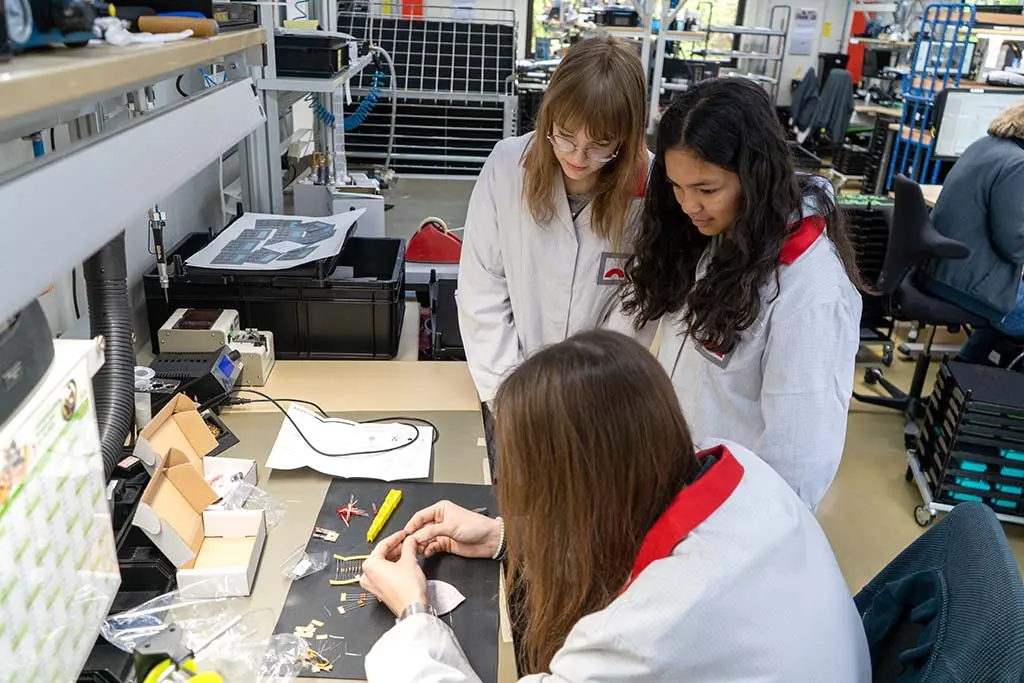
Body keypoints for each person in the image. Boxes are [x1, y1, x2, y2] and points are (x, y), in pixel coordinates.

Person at [357, 331, 872, 682]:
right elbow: (634, 523)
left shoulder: (644, 633)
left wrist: (414, 611)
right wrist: (507, 537)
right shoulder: (738, 468)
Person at [622, 78, 863, 509]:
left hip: (736, 516)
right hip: (686, 489)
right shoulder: (730, 238)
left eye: (706, 190)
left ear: (755, 174)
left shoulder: (811, 289)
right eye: (677, 187)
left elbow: (798, 463)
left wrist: (736, 539)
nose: (688, 205)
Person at [456, 36, 653, 472]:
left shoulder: (653, 190)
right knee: (515, 515)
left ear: (628, 135)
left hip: (602, 402)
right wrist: (512, 400)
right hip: (511, 391)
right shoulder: (507, 167)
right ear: (548, 118)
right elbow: (482, 292)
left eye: (601, 145)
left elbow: (637, 310)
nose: (578, 158)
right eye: (564, 137)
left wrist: (584, 402)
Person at [916, 100, 1024, 364]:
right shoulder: (1018, 163)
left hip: (940, 271)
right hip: (966, 284)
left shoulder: (985, 146)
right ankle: (979, 392)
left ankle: (958, 384)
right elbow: (1014, 244)